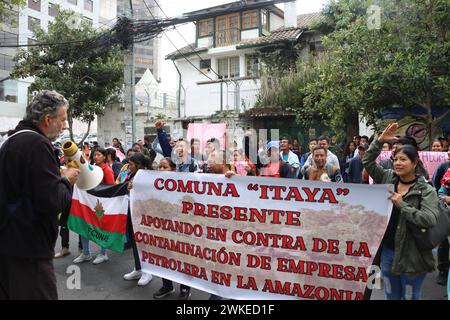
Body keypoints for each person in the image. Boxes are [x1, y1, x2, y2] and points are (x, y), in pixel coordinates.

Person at [0, 90, 80, 299]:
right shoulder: (37, 144)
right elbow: (53, 201)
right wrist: (66, 179)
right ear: (47, 119)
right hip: (29, 252)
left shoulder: (10, 141)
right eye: (63, 119)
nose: (65, 125)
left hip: (9, 246)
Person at [362, 122, 439, 300]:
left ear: (415, 163)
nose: (397, 163)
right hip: (389, 253)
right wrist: (379, 141)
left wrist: (402, 205)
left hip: (413, 255)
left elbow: (429, 219)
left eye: (403, 159)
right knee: (391, 295)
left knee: (411, 296)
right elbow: (367, 161)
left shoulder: (426, 190)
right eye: (395, 159)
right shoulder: (388, 177)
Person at [74, 147, 114, 265]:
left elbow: (111, 188)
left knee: (101, 229)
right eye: (94, 155)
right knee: (83, 226)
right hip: (88, 204)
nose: (96, 157)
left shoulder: (107, 170)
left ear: (105, 156)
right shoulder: (92, 168)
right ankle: (86, 253)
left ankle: (103, 253)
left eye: (99, 155)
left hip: (100, 206)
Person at [122, 153, 153, 286]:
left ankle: (148, 271)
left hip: (142, 214)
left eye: (131, 164)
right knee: (135, 241)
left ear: (139, 165)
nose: (129, 166)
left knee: (143, 242)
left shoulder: (146, 177)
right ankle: (138, 268)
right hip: (131, 211)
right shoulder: (130, 175)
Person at [432, 144, 450, 285]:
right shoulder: (445, 168)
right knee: (444, 241)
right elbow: (438, 191)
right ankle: (443, 270)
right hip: (447, 212)